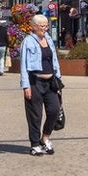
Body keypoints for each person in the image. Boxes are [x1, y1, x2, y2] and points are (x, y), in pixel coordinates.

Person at [20, 14, 62, 157]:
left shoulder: (49, 39)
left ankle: (45, 138)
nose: (45, 28)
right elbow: (23, 65)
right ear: (34, 27)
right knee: (35, 115)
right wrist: (26, 86)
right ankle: (35, 144)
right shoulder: (28, 41)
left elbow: (54, 60)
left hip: (51, 82)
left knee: (54, 110)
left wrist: (58, 79)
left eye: (46, 26)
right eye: (42, 26)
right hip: (34, 82)